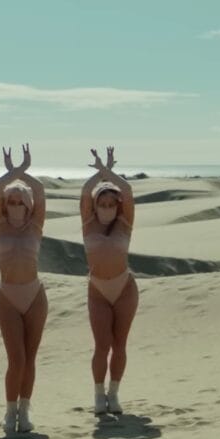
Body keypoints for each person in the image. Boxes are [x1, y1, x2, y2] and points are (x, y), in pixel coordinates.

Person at [0, 143, 48, 435]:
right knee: (17, 359)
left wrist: (23, 171)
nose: (15, 206)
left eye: (19, 202)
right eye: (10, 201)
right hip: (9, 297)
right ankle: (10, 411)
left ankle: (25, 410)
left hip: (35, 295)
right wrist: (11, 173)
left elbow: (40, 192)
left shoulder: (35, 226)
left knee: (31, 357)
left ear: (28, 206)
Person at [78, 147, 137, 416]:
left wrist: (110, 173)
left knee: (120, 344)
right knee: (102, 345)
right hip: (98, 290)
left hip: (124, 287)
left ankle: (114, 393)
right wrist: (100, 174)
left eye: (112, 205)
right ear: (96, 205)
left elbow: (128, 193)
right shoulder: (88, 224)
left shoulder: (125, 223)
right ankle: (98, 395)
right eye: (103, 204)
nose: (107, 209)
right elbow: (84, 194)